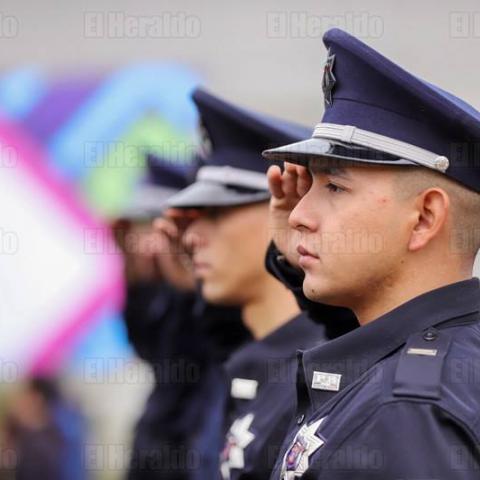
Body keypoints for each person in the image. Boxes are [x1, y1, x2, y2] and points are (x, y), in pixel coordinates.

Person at [261, 27, 480, 479]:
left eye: (336, 186)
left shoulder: (404, 410)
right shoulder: (445, 364)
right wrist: (300, 262)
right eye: (310, 187)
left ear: (423, 218)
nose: (298, 213)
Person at [166, 88, 355, 480]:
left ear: (284, 206)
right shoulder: (251, 358)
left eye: (216, 214)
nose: (191, 237)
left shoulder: (317, 371)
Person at [113, 153, 250, 480]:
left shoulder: (207, 304)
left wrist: (189, 282)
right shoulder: (168, 297)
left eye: (156, 227)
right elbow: (150, 348)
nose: (148, 244)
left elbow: (200, 342)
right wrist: (135, 280)